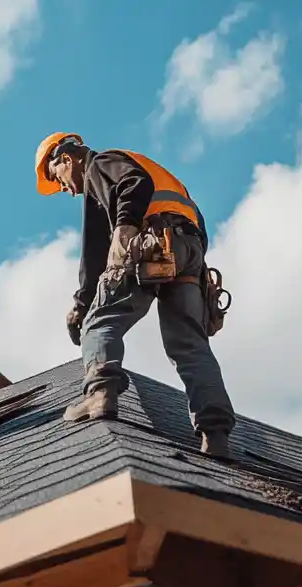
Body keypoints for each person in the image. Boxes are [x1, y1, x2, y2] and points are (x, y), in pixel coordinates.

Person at [34, 131, 236, 458]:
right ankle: (216, 437)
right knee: (190, 345)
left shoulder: (100, 164)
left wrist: (125, 230)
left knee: (100, 322)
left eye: (57, 179)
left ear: (66, 159)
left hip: (151, 242)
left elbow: (133, 187)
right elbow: (99, 252)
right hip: (188, 253)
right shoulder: (157, 175)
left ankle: (100, 395)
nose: (65, 190)